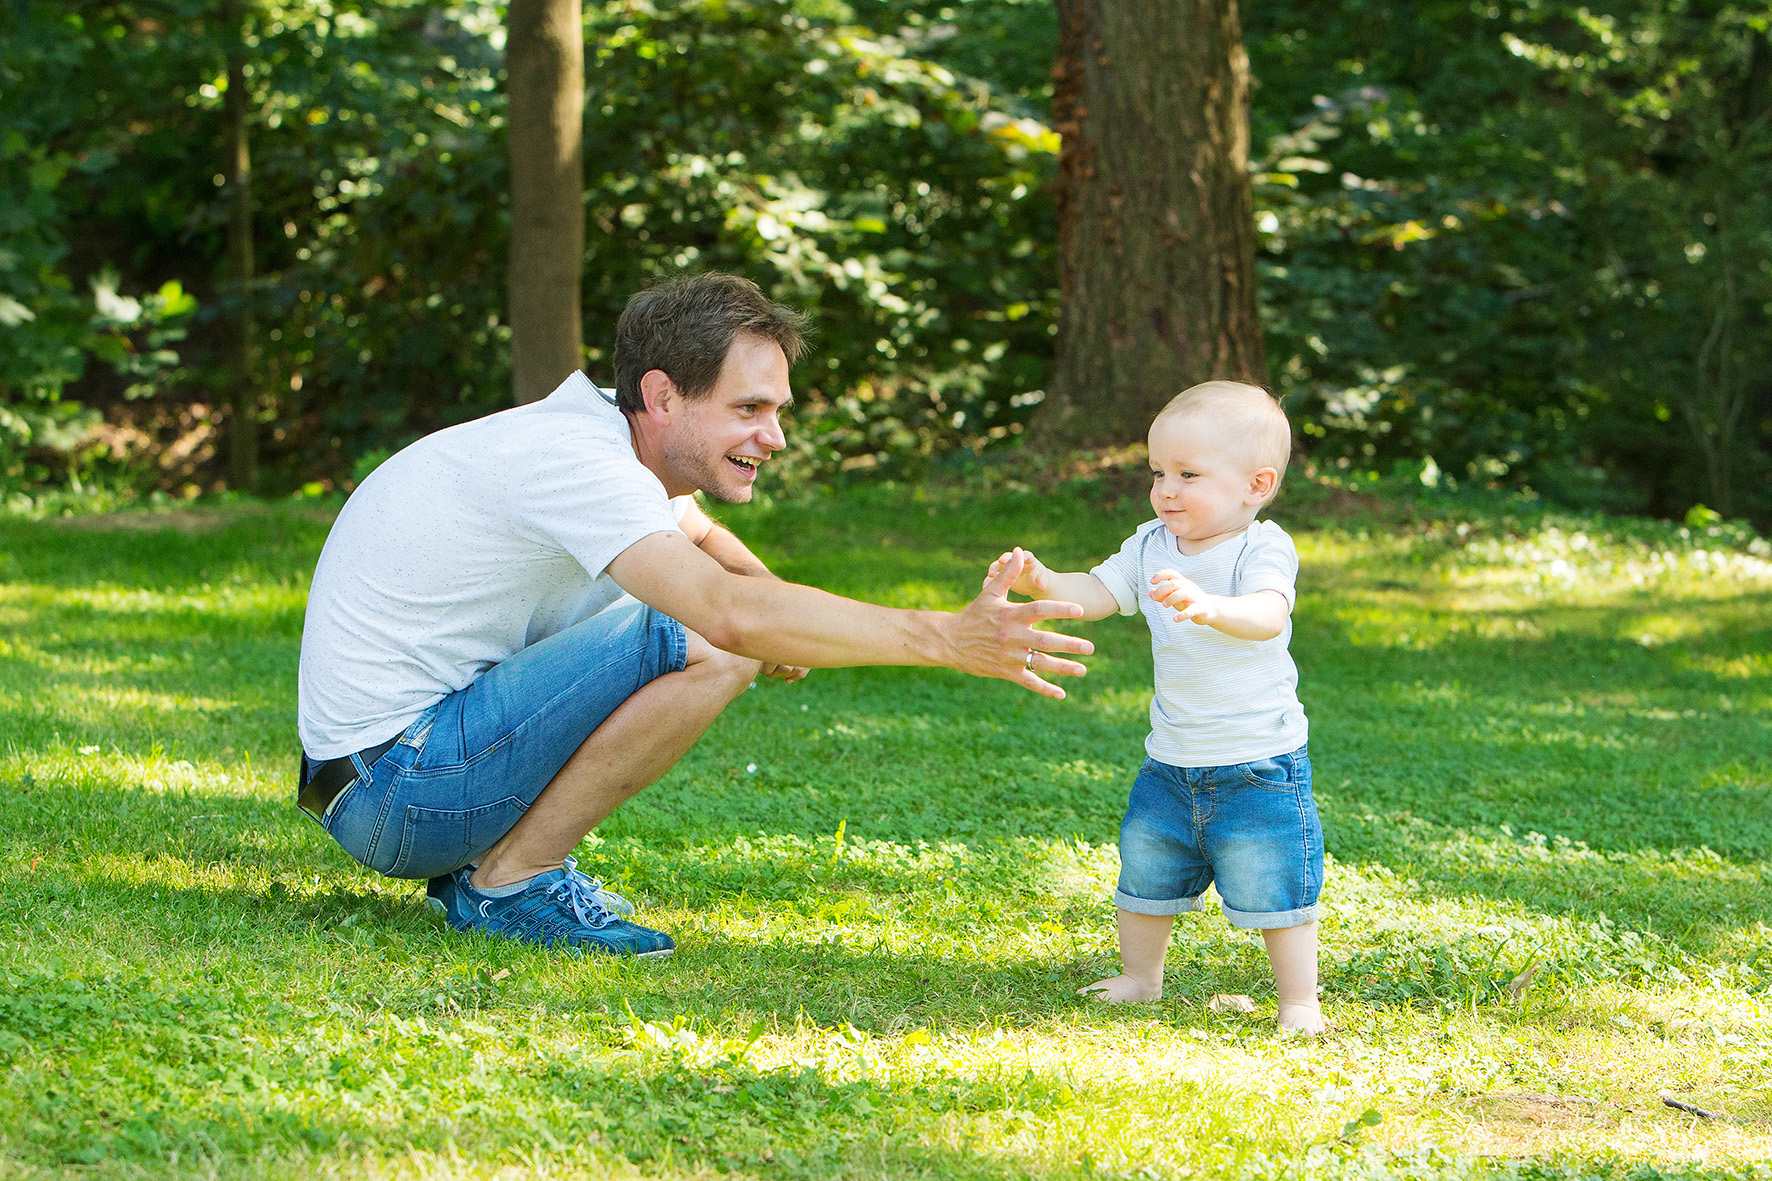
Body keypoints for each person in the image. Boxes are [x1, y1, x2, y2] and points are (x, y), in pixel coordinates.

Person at [296, 272, 1092, 958]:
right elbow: (726, 613)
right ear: (662, 395)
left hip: (392, 774)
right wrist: (946, 636)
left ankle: (501, 866)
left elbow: (702, 535)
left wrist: (770, 590)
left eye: (777, 409)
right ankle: (506, 884)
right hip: (398, 790)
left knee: (708, 617)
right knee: (702, 632)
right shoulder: (578, 465)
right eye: (749, 408)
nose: (773, 437)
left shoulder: (603, 434)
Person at [984, 380, 1324, 1034]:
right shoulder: (1150, 545)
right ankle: (1141, 977)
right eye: (1158, 472)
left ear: (1257, 484)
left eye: (1188, 474)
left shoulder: (1263, 547)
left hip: (1261, 764)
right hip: (1170, 760)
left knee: (1277, 884)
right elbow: (1099, 591)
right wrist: (1046, 583)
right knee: (1146, 870)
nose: (1166, 489)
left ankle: (1299, 1001)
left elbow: (1266, 612)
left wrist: (1210, 606)